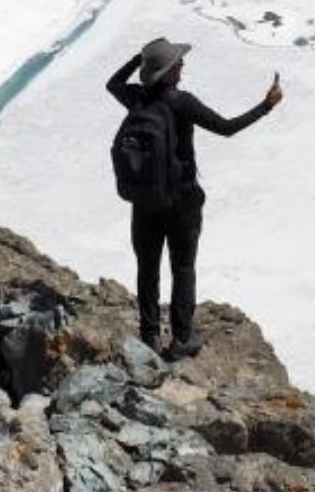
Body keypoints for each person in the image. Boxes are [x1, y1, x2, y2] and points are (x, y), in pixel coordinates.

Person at [106, 36, 282, 360]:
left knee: (148, 267)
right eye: (177, 63)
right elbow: (227, 128)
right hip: (181, 202)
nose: (182, 65)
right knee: (183, 268)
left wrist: (141, 61)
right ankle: (182, 339)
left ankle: (149, 338)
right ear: (169, 72)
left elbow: (112, 83)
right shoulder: (181, 102)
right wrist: (266, 107)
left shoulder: (137, 98)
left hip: (145, 202)